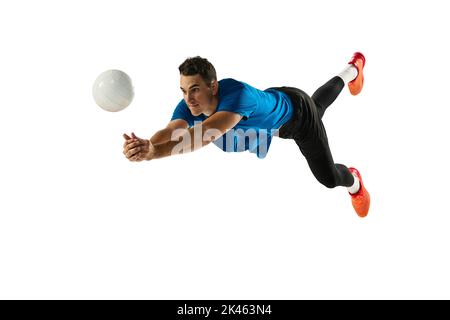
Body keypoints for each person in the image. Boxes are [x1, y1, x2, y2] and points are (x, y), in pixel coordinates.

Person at [123, 53, 370, 217]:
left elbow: (202, 135)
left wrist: (153, 153)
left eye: (195, 89)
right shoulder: (190, 105)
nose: (188, 98)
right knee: (319, 106)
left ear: (213, 86)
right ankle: (352, 70)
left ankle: (355, 183)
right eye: (184, 90)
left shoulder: (237, 97)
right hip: (278, 105)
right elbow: (171, 131)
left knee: (328, 177)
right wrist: (145, 145)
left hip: (299, 118)